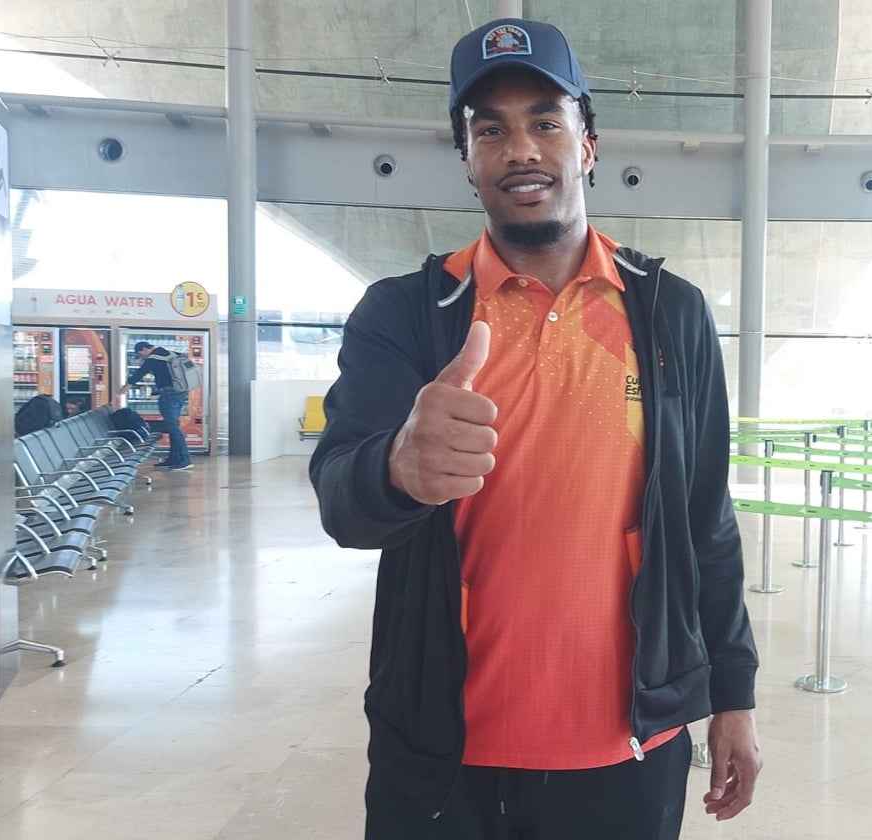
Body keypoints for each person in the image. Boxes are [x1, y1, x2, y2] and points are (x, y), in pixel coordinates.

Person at [310, 17, 760, 839]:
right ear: (468, 160)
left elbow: (706, 521)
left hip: (630, 745)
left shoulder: (671, 315)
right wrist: (397, 468)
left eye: (545, 122)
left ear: (587, 143)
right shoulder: (408, 316)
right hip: (443, 754)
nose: (521, 149)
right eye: (491, 130)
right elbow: (342, 500)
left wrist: (734, 695)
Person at [116, 341, 192, 470]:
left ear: (145, 349)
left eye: (141, 355)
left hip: (169, 395)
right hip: (180, 393)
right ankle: (174, 458)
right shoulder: (172, 354)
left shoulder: (154, 358)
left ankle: (185, 459)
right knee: (172, 425)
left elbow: (137, 376)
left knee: (172, 426)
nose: (142, 358)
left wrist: (119, 394)